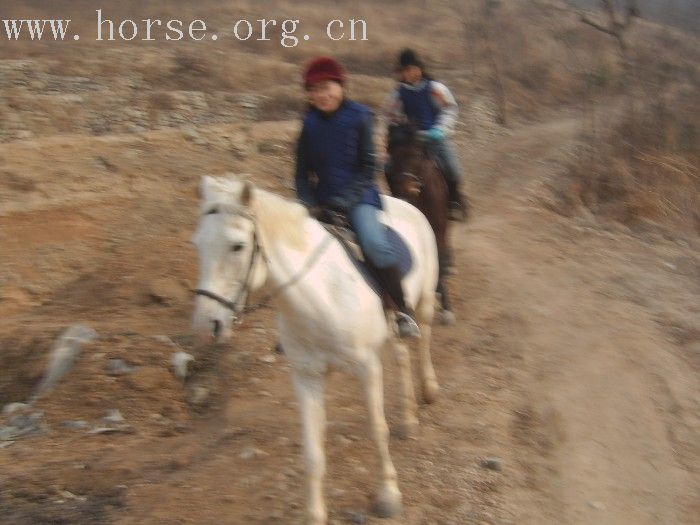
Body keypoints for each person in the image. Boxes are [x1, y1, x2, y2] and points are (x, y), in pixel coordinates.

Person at [295, 56, 420, 338]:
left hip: (360, 198)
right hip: (321, 202)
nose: (321, 95)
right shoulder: (308, 124)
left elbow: (368, 167)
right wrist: (309, 203)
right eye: (314, 90)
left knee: (374, 245)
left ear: (340, 86)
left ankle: (402, 311)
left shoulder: (360, 116)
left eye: (326, 87)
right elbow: (301, 175)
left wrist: (343, 202)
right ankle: (301, 322)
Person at [384, 48, 467, 220]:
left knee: (452, 167)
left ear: (420, 68)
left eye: (413, 68)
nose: (410, 73)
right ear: (401, 73)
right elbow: (390, 117)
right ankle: (398, 199)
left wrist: (440, 130)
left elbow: (450, 108)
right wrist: (400, 128)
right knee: (389, 168)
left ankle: (454, 201)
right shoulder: (397, 95)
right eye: (406, 70)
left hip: (436, 137)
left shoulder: (434, 89)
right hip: (410, 141)